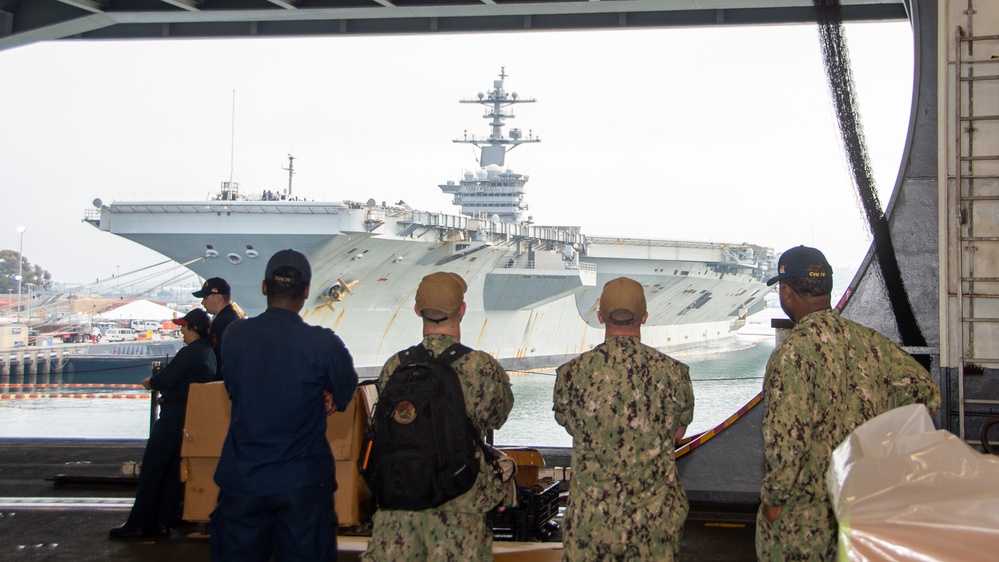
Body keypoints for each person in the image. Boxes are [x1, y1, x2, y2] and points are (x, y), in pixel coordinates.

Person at [756, 245, 942, 561]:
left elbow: (787, 442)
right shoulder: (872, 343)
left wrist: (775, 500)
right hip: (862, 504)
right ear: (827, 287)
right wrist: (879, 443)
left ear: (787, 293)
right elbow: (926, 393)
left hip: (806, 518)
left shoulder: (790, 356)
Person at [210, 249, 358, 562]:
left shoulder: (235, 334)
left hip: (244, 480)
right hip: (302, 484)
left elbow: (235, 388)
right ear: (307, 291)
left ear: (265, 287)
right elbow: (347, 389)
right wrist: (328, 393)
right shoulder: (323, 343)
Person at [361, 271, 514, 562]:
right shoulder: (481, 367)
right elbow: (498, 417)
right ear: (462, 310)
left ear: (418, 311)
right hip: (460, 508)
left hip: (397, 511)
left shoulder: (395, 365)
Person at [553, 276, 694, 562]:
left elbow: (571, 427)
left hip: (591, 526)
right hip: (654, 526)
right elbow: (677, 434)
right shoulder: (674, 373)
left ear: (601, 317)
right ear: (643, 317)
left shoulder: (571, 374)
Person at [109, 308, 217, 538]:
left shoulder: (190, 352)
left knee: (153, 468)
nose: (181, 332)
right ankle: (162, 522)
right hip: (190, 418)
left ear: (194, 329)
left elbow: (169, 378)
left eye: (184, 328)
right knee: (172, 473)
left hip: (173, 417)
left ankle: (139, 522)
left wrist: (152, 382)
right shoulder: (209, 353)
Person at [191, 277, 242, 380]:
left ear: (218, 298)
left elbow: (212, 359)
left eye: (205, 298)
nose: (203, 302)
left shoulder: (221, 323)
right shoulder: (233, 319)